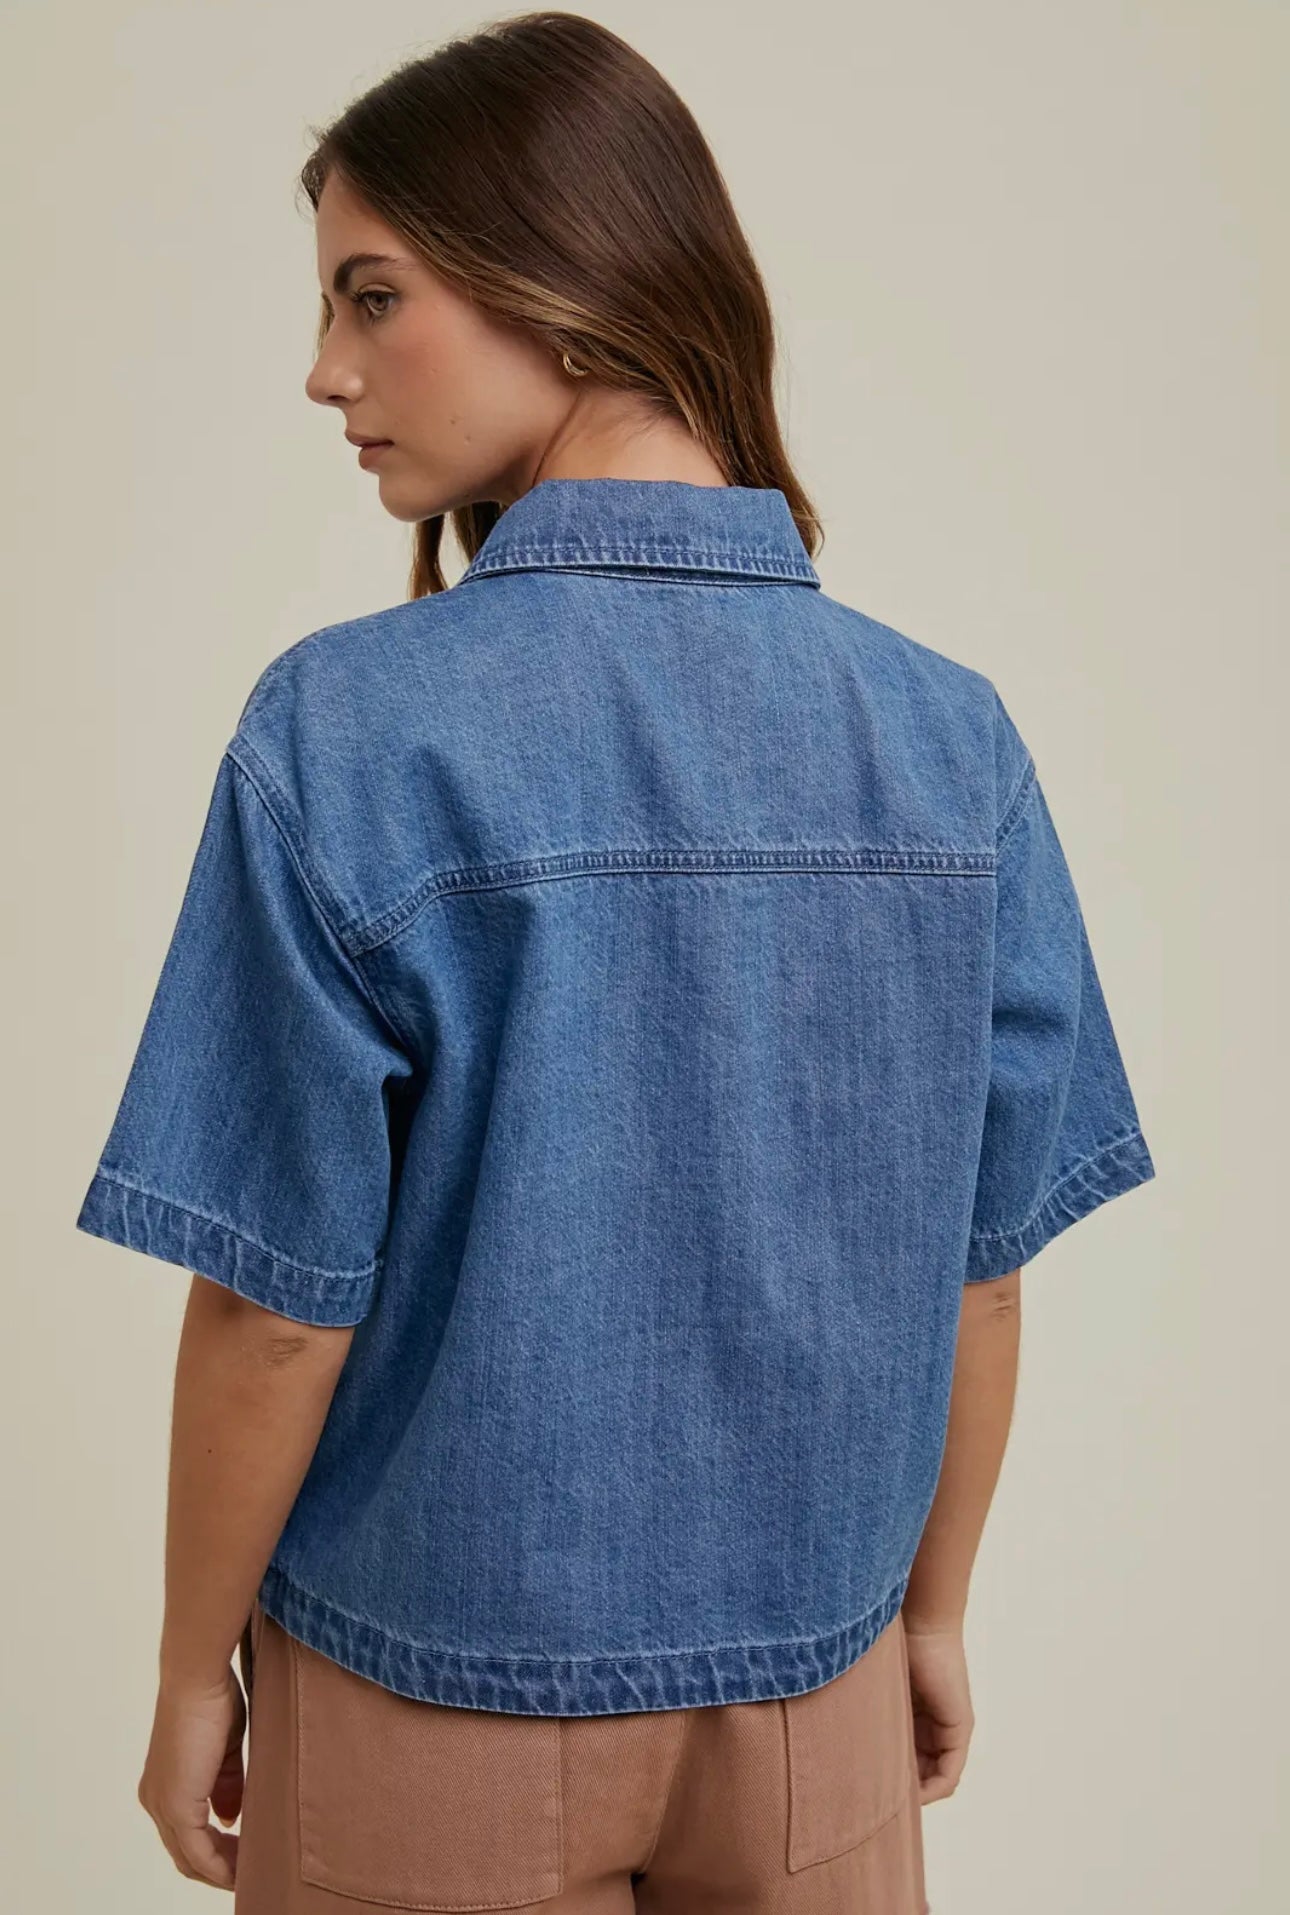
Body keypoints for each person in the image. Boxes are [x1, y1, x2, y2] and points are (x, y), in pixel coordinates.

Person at [74, 11, 1156, 1912]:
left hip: (426, 1692)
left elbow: (274, 1309)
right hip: (817, 1689)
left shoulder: (349, 728)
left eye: (371, 295)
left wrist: (185, 1671)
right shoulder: (948, 738)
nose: (326, 370)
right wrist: (929, 1615)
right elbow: (978, 1272)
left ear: (564, 289)